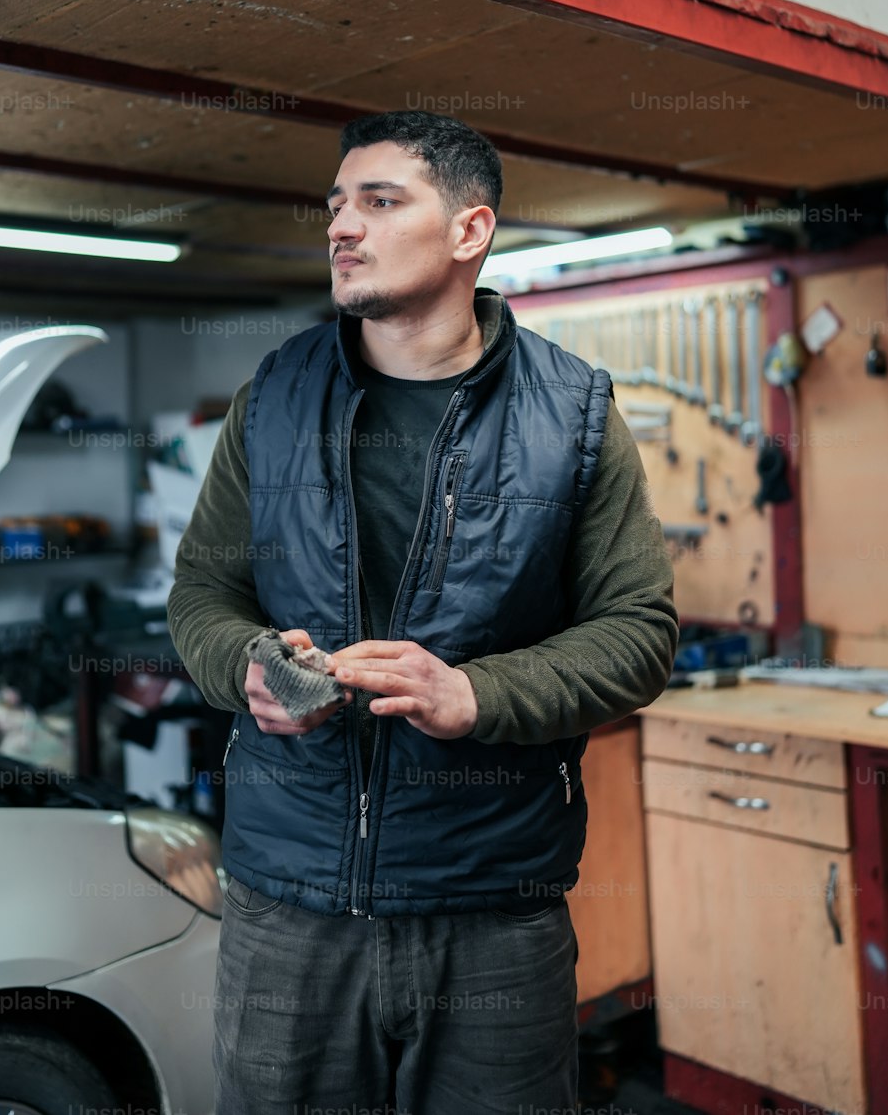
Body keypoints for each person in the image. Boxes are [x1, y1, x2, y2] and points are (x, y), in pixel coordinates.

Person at [167, 109, 678, 1114]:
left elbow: (638, 631)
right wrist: (248, 667)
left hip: (493, 909)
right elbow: (202, 595)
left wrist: (476, 694)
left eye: (379, 200)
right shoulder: (270, 399)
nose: (340, 227)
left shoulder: (572, 416)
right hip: (291, 906)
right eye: (334, 205)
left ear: (468, 231)